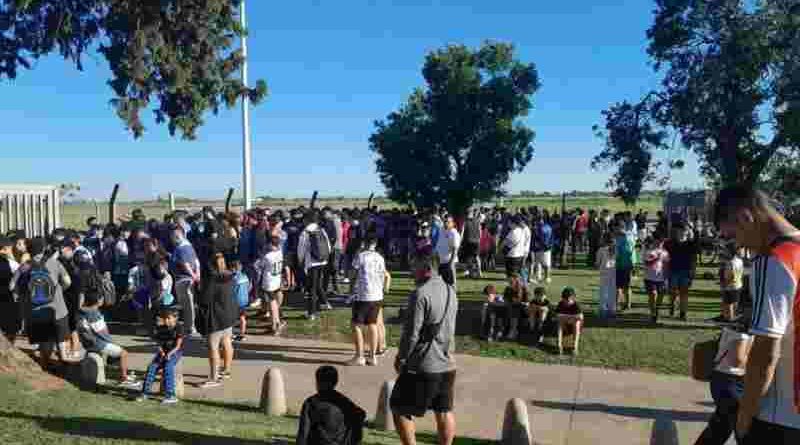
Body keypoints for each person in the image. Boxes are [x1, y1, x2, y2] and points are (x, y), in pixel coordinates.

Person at [713, 186, 800, 442]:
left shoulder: (774, 259)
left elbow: (766, 352)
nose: (739, 245)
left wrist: (745, 416)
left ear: (745, 216)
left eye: (734, 236)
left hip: (782, 414)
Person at [391, 247, 457, 445]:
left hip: (424, 364)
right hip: (448, 363)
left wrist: (402, 357)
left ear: (426, 267)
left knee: (399, 408)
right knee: (443, 410)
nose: (412, 270)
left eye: (414, 266)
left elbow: (411, 334)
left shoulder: (420, 294)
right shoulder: (451, 291)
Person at [12, 237, 75, 367]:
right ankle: (64, 361)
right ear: (43, 249)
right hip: (58, 310)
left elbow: (12, 286)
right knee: (61, 340)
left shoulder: (24, 266)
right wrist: (59, 290)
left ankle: (45, 366)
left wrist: (24, 294)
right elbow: (68, 282)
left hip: (36, 312)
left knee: (43, 343)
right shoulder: (54, 263)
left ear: (29, 250)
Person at [694, 319, 753, 445]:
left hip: (725, 380)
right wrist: (760, 363)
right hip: (730, 381)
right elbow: (738, 360)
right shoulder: (741, 327)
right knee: (741, 428)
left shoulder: (740, 323)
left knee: (721, 427)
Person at [77, 290, 137, 387]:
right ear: (97, 300)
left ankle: (119, 369)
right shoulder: (93, 313)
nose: (103, 300)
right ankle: (124, 378)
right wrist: (113, 342)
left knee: (116, 351)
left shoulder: (82, 311)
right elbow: (102, 332)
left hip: (88, 342)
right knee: (124, 353)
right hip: (96, 343)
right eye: (101, 298)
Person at [348, 235, 390, 367]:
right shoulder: (380, 258)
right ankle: (372, 356)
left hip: (363, 295)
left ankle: (359, 356)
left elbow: (353, 274)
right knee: (372, 324)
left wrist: (351, 288)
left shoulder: (361, 256)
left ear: (364, 243)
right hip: (377, 295)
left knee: (356, 325)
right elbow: (384, 275)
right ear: (375, 244)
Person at [197, 252, 238, 389]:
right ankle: (226, 370)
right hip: (229, 314)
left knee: (213, 346)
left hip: (216, 317)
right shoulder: (230, 276)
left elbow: (204, 299)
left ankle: (214, 378)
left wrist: (198, 289)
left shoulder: (212, 280)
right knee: (227, 341)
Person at [297, 366, 366, 445]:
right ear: (336, 382)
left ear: (318, 382)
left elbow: (303, 434)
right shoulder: (343, 402)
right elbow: (361, 414)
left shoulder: (310, 403)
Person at [135, 306, 185, 405]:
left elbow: (178, 346)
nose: (166, 320)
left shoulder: (179, 328)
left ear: (175, 318)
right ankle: (144, 393)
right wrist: (162, 352)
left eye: (169, 318)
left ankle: (171, 396)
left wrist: (169, 354)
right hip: (163, 352)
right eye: (165, 318)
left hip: (175, 352)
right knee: (152, 367)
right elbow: (158, 343)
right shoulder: (161, 328)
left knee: (168, 367)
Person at [169, 225, 201, 336]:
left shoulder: (182, 248)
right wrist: (197, 275)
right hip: (186, 279)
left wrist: (194, 276)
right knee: (188, 305)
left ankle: (190, 327)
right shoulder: (188, 246)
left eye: (175, 235)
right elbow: (196, 262)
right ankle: (189, 327)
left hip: (183, 280)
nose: (173, 238)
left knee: (187, 306)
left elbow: (185, 264)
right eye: (172, 235)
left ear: (181, 235)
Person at [663, 223, 699, 321]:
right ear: (676, 232)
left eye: (684, 230)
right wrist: (665, 271)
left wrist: (693, 271)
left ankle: (683, 313)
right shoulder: (669, 243)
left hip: (686, 272)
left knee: (684, 292)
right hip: (673, 271)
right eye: (680, 231)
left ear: (687, 232)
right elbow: (665, 258)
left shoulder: (691, 244)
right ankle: (672, 305)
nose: (682, 232)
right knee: (673, 292)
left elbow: (694, 258)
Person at [255, 235, 288, 335]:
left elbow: (258, 266)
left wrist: (260, 257)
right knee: (275, 303)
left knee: (272, 304)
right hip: (277, 279)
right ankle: (277, 322)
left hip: (269, 282)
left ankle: (275, 325)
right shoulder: (280, 252)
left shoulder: (267, 256)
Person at [643, 236, 669, 324]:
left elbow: (666, 265)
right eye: (658, 241)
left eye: (661, 242)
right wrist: (657, 258)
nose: (660, 243)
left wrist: (666, 277)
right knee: (653, 295)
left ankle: (656, 310)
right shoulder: (649, 251)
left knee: (660, 296)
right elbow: (647, 263)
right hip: (649, 278)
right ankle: (653, 314)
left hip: (661, 279)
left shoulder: (665, 252)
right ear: (654, 241)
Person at [715, 244, 744, 323]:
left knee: (728, 303)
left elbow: (731, 276)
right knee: (734, 303)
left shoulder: (730, 263)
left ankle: (730, 319)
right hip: (738, 284)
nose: (724, 252)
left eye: (726, 251)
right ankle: (730, 317)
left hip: (730, 285)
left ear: (730, 252)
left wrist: (725, 284)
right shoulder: (739, 260)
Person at [0, 237, 21, 343]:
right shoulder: (10, 263)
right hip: (8, 297)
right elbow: (20, 273)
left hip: (6, 297)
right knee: (10, 326)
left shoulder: (10, 263)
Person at [614, 222, 636, 312]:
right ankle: (626, 304)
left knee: (620, 286)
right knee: (625, 286)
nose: (614, 230)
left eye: (616, 228)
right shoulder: (629, 236)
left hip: (623, 265)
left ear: (620, 227)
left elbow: (627, 252)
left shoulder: (624, 238)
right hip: (626, 264)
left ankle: (619, 304)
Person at [555, 287, 584, 356]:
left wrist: (566, 317)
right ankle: (559, 345)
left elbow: (580, 317)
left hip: (574, 326)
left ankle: (574, 346)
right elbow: (557, 316)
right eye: (565, 298)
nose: (567, 301)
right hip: (564, 325)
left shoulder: (576, 305)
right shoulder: (561, 304)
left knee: (576, 323)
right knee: (560, 322)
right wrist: (570, 317)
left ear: (573, 298)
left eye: (569, 298)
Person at [434, 215, 461, 287]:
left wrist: (451, 263)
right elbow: (439, 245)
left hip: (449, 262)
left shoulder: (454, 233)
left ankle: (453, 293)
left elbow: (455, 249)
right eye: (445, 221)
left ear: (453, 223)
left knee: (451, 284)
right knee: (442, 284)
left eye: (448, 222)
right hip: (441, 262)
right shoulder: (442, 230)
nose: (446, 223)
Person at [595, 233, 617, 319]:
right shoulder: (616, 249)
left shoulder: (601, 250)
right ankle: (612, 310)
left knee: (603, 292)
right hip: (614, 273)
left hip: (604, 273)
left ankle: (603, 310)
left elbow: (597, 263)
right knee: (612, 292)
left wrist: (597, 265)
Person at [502, 274, 530, 341]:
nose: (510, 283)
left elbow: (527, 302)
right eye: (510, 281)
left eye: (512, 281)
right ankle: (503, 330)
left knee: (514, 309)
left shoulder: (523, 288)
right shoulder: (508, 288)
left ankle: (513, 330)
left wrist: (518, 302)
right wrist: (508, 301)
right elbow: (505, 299)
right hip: (510, 305)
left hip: (521, 307)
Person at [229, 259, 251, 342]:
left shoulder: (233, 278)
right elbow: (249, 287)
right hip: (244, 301)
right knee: (242, 317)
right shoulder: (245, 276)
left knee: (231, 319)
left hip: (235, 301)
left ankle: (231, 335)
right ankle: (242, 334)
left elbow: (231, 290)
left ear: (234, 268)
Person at [531, 215, 553, 284]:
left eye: (538, 220)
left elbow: (538, 238)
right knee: (545, 264)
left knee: (540, 263)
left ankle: (540, 277)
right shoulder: (549, 227)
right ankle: (546, 277)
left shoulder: (539, 228)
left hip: (541, 248)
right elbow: (551, 238)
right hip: (546, 248)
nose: (537, 222)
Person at [461, 209, 482, 279]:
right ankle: (479, 272)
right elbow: (480, 231)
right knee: (477, 257)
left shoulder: (465, 222)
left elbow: (462, 233)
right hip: (476, 242)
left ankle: (471, 273)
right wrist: (479, 239)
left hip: (468, 242)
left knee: (469, 258)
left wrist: (460, 242)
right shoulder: (478, 221)